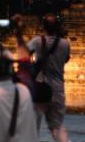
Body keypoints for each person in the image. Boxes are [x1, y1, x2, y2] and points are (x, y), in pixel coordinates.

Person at [28, 14, 70, 142]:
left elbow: (23, 54)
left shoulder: (37, 41)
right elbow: (66, 59)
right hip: (57, 88)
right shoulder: (65, 44)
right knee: (57, 126)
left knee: (33, 127)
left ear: (43, 26)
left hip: (40, 86)